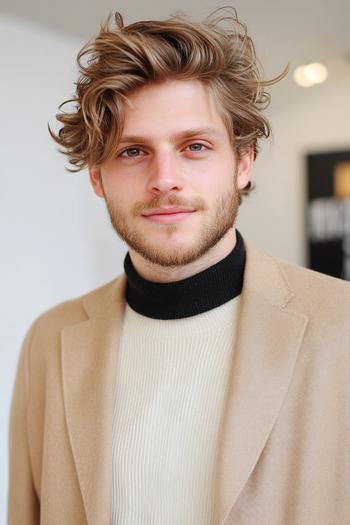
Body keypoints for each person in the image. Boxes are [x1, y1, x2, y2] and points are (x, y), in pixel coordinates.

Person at [8, 8, 350, 525]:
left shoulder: (341, 329)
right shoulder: (49, 342)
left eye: (194, 146)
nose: (164, 179)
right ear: (97, 177)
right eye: (132, 152)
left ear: (242, 163)